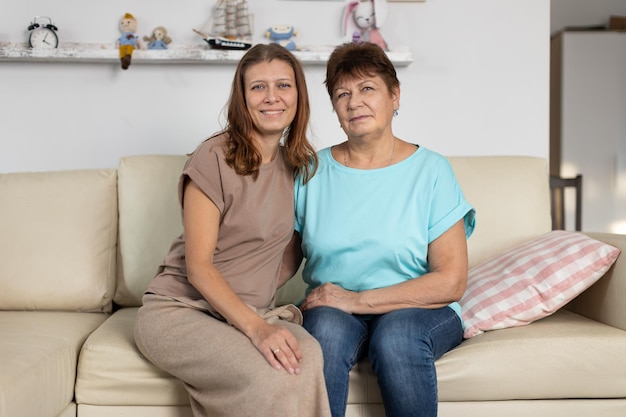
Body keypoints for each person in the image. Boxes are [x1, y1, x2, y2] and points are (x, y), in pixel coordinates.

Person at [134, 43, 331, 417]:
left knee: (308, 358)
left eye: (283, 86)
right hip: (180, 312)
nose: (272, 97)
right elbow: (199, 268)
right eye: (258, 87)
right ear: (242, 98)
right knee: (273, 374)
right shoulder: (214, 157)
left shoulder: (298, 168)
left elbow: (286, 258)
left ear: (299, 95)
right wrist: (257, 328)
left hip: (250, 312)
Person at [293, 42, 476, 417]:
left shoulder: (432, 170)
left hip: (418, 308)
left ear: (395, 95)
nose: (354, 101)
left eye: (367, 88)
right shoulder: (310, 171)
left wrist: (356, 300)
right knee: (323, 334)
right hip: (332, 311)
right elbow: (280, 257)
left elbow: (451, 281)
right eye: (342, 93)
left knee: (397, 337)